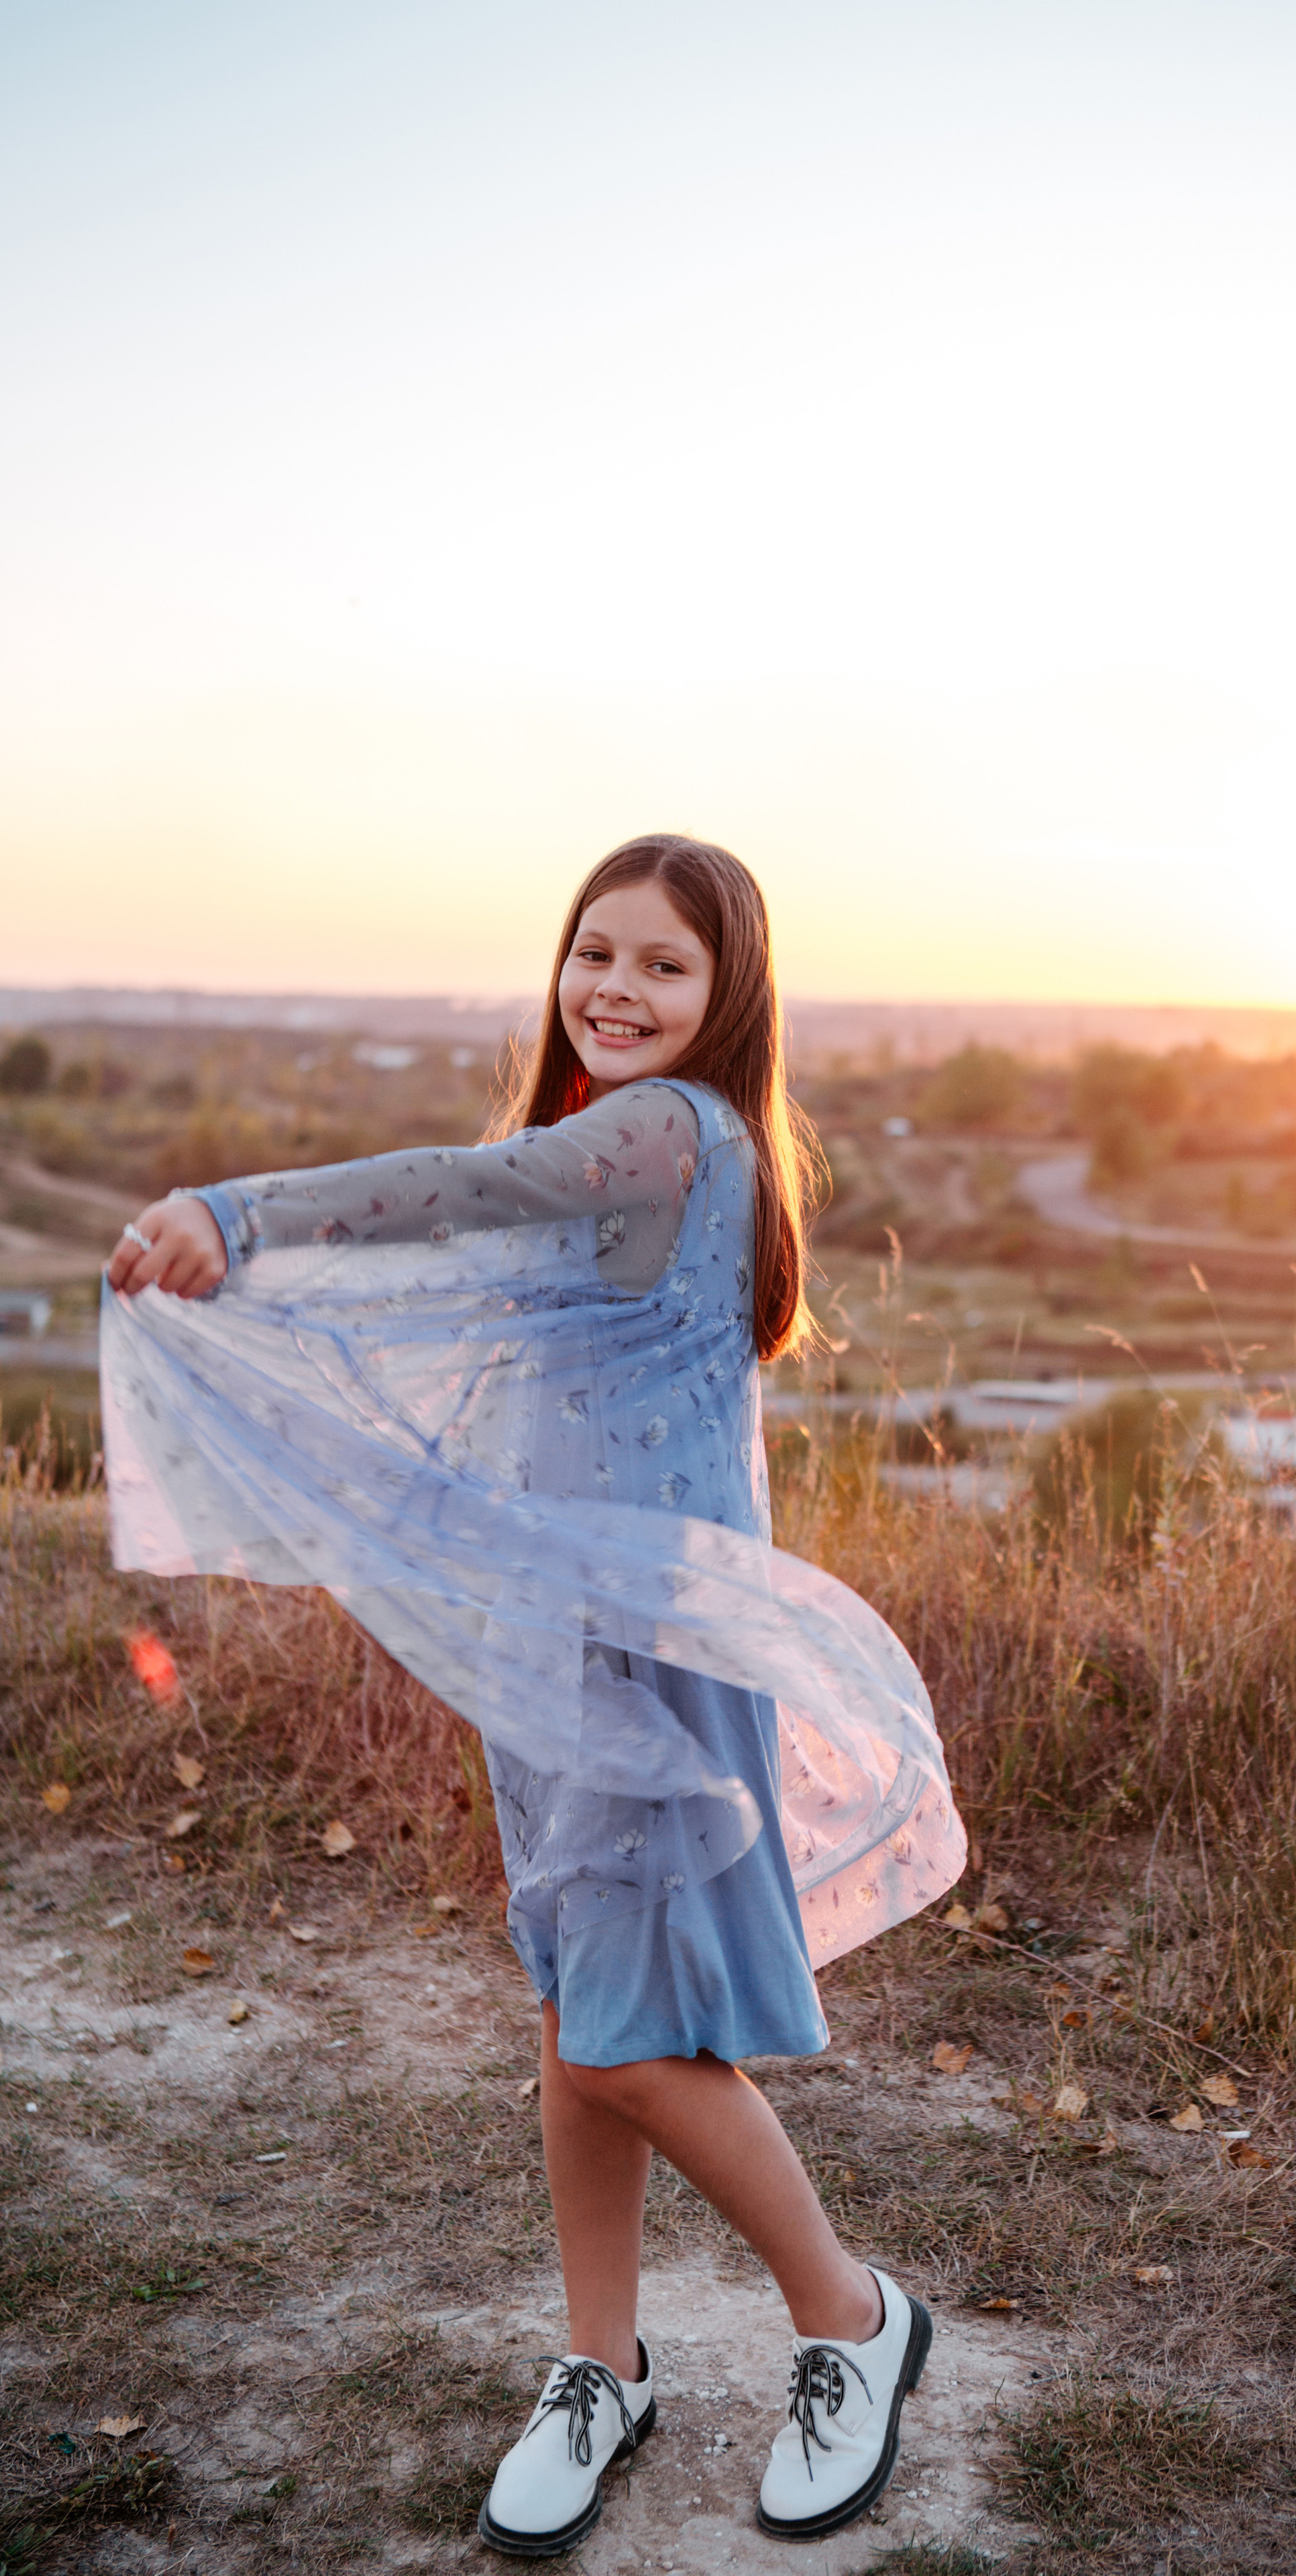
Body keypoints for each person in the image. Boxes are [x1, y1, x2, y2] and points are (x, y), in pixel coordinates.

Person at [103, 833, 965, 2556]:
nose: (616, 989)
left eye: (663, 966)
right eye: (595, 952)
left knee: (642, 2048)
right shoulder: (604, 1145)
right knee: (583, 2029)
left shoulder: (671, 1133)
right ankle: (601, 2366)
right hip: (555, 1647)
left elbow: (441, 1200)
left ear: (728, 1003)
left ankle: (855, 2325)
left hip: (655, 1653)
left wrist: (233, 1217)